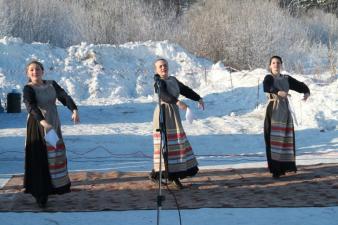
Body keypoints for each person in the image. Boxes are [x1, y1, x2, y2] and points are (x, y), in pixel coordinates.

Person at [23, 60, 80, 208]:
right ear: (28, 74)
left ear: (43, 71)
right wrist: (42, 122)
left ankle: (55, 187)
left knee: (55, 155)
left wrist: (74, 109)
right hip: (38, 125)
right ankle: (40, 193)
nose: (35, 72)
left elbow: (63, 96)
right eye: (31, 70)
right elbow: (31, 106)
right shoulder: (28, 89)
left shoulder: (51, 84)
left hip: (53, 122)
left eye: (37, 69)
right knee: (41, 158)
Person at [150, 58, 205, 189]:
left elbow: (185, 90)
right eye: (160, 66)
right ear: (156, 70)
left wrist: (198, 98)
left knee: (176, 145)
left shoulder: (173, 80)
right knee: (165, 146)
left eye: (165, 65)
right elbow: (163, 95)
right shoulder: (158, 82)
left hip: (173, 114)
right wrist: (177, 102)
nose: (163, 68)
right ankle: (159, 175)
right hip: (164, 113)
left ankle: (174, 176)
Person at [263, 56, 310, 178]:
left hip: (285, 112)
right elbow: (267, 86)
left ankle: (284, 167)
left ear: (281, 64)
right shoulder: (269, 78)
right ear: (270, 65)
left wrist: (306, 92)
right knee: (273, 141)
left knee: (285, 140)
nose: (276, 65)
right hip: (273, 110)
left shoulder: (286, 78)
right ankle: (275, 169)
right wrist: (278, 92)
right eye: (273, 63)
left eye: (278, 63)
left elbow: (299, 85)